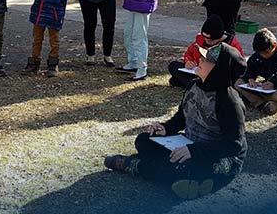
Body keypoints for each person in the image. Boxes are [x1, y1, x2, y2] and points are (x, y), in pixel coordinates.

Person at [104, 44, 247, 200]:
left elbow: (233, 145)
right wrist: (165, 128)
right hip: (189, 144)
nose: (200, 60)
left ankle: (133, 165)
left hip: (218, 156)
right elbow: (182, 117)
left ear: (219, 70)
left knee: (181, 167)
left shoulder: (229, 102)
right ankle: (186, 178)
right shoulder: (194, 84)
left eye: (206, 60)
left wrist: (194, 150)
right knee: (144, 141)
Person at [168, 14, 245, 90]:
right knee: (173, 65)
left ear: (220, 37)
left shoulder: (232, 45)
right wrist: (188, 61)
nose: (207, 41)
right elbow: (189, 53)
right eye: (205, 38)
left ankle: (191, 85)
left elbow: (240, 67)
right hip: (200, 71)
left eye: (211, 40)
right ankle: (194, 84)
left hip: (218, 77)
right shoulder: (200, 39)